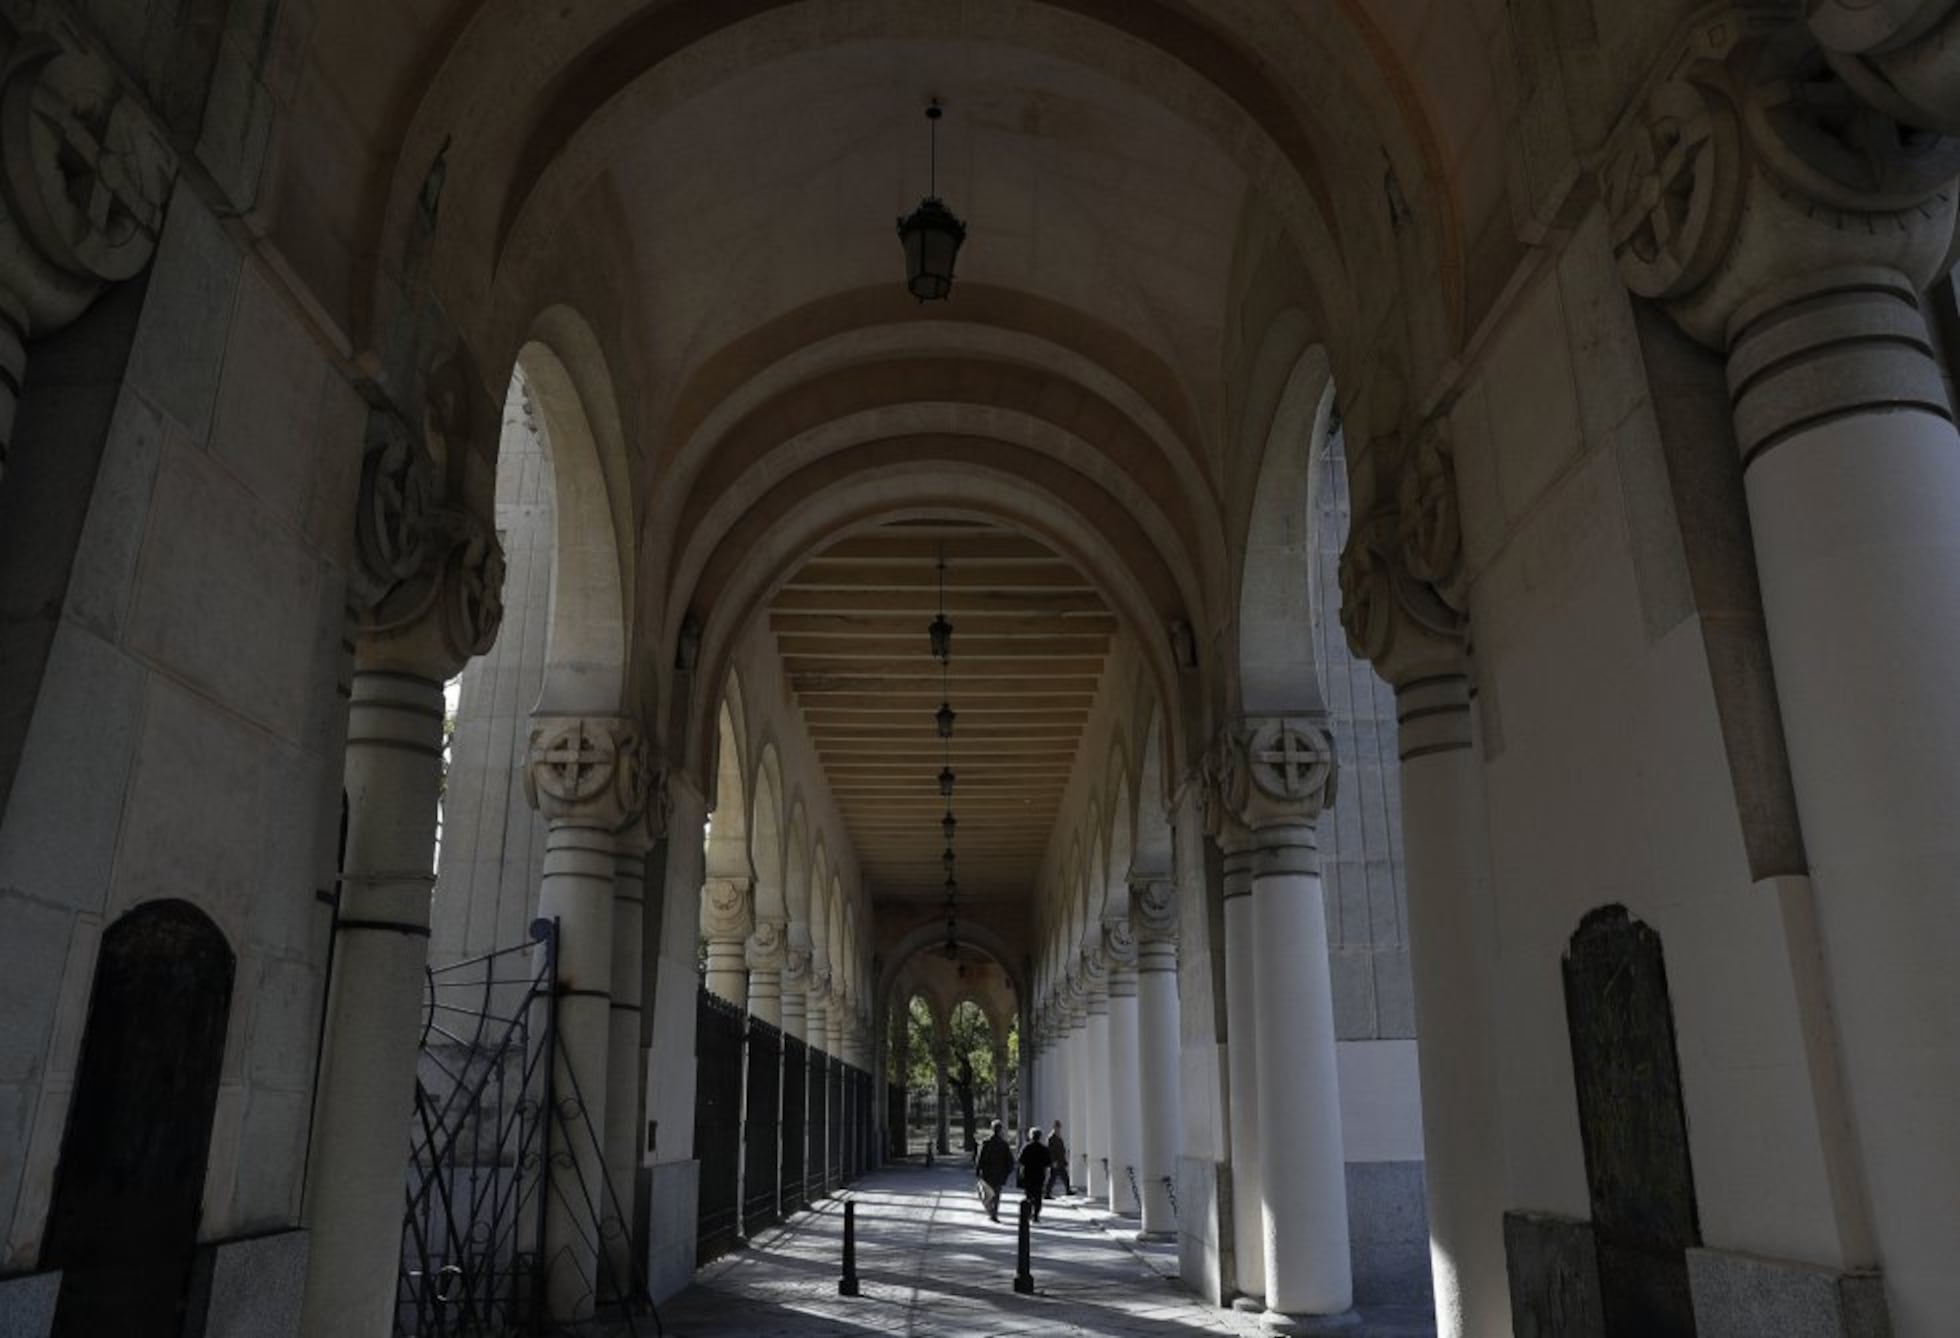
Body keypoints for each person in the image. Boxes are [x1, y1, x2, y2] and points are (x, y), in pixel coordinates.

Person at [973, 1119, 1014, 1221]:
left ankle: (991, 1211)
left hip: (987, 1173)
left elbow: (980, 1157)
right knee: (996, 1194)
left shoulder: (986, 1143)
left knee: (988, 1194)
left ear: (992, 1129)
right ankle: (994, 1213)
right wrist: (1008, 1172)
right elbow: (1010, 1160)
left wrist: (978, 1169)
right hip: (1000, 1173)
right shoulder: (1004, 1144)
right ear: (1000, 1130)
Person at [1016, 1127, 1052, 1222]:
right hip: (1039, 1175)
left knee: (1029, 1195)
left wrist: (1020, 1174)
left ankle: (1029, 1212)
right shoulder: (1044, 1149)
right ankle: (1036, 1214)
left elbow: (1020, 1162)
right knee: (1038, 1196)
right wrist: (1047, 1176)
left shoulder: (1026, 1147)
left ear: (1031, 1136)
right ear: (1040, 1137)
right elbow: (1048, 1163)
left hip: (1028, 1175)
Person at [1046, 1119, 1072, 1198]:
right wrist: (1053, 1161)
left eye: (1059, 1127)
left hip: (1060, 1161)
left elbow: (1061, 1149)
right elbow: (1051, 1150)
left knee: (1064, 1177)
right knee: (1052, 1178)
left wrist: (1064, 1160)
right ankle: (1047, 1193)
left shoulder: (1058, 1136)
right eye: (1057, 1127)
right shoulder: (1052, 1137)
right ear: (1054, 1127)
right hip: (1056, 1161)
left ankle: (1068, 1190)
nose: (1058, 1128)